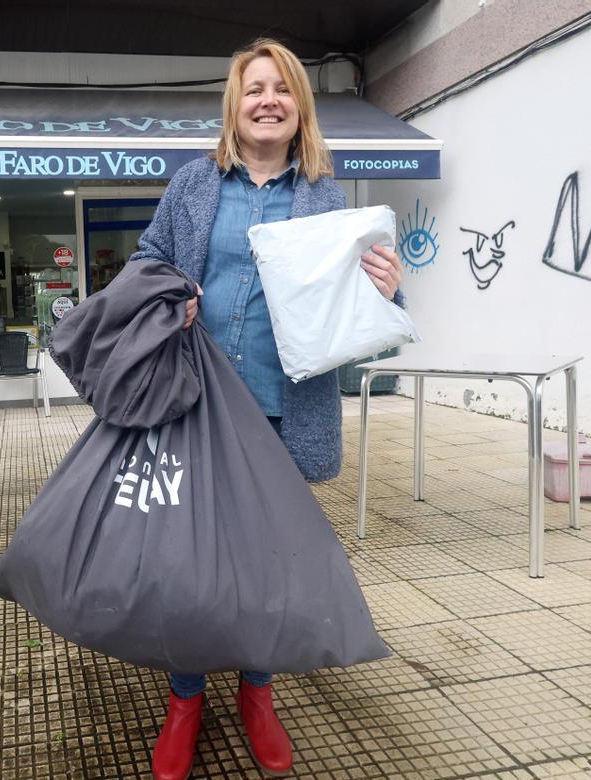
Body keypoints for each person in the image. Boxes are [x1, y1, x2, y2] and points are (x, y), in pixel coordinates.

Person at [129, 38, 403, 778]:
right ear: (235, 102)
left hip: (286, 415)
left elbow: (359, 312)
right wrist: (167, 296)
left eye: (282, 89)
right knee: (188, 566)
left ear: (299, 107)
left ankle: (257, 691)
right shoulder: (192, 185)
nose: (268, 101)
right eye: (255, 89)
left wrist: (386, 289)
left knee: (266, 566)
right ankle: (186, 698)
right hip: (197, 406)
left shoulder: (322, 193)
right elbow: (145, 260)